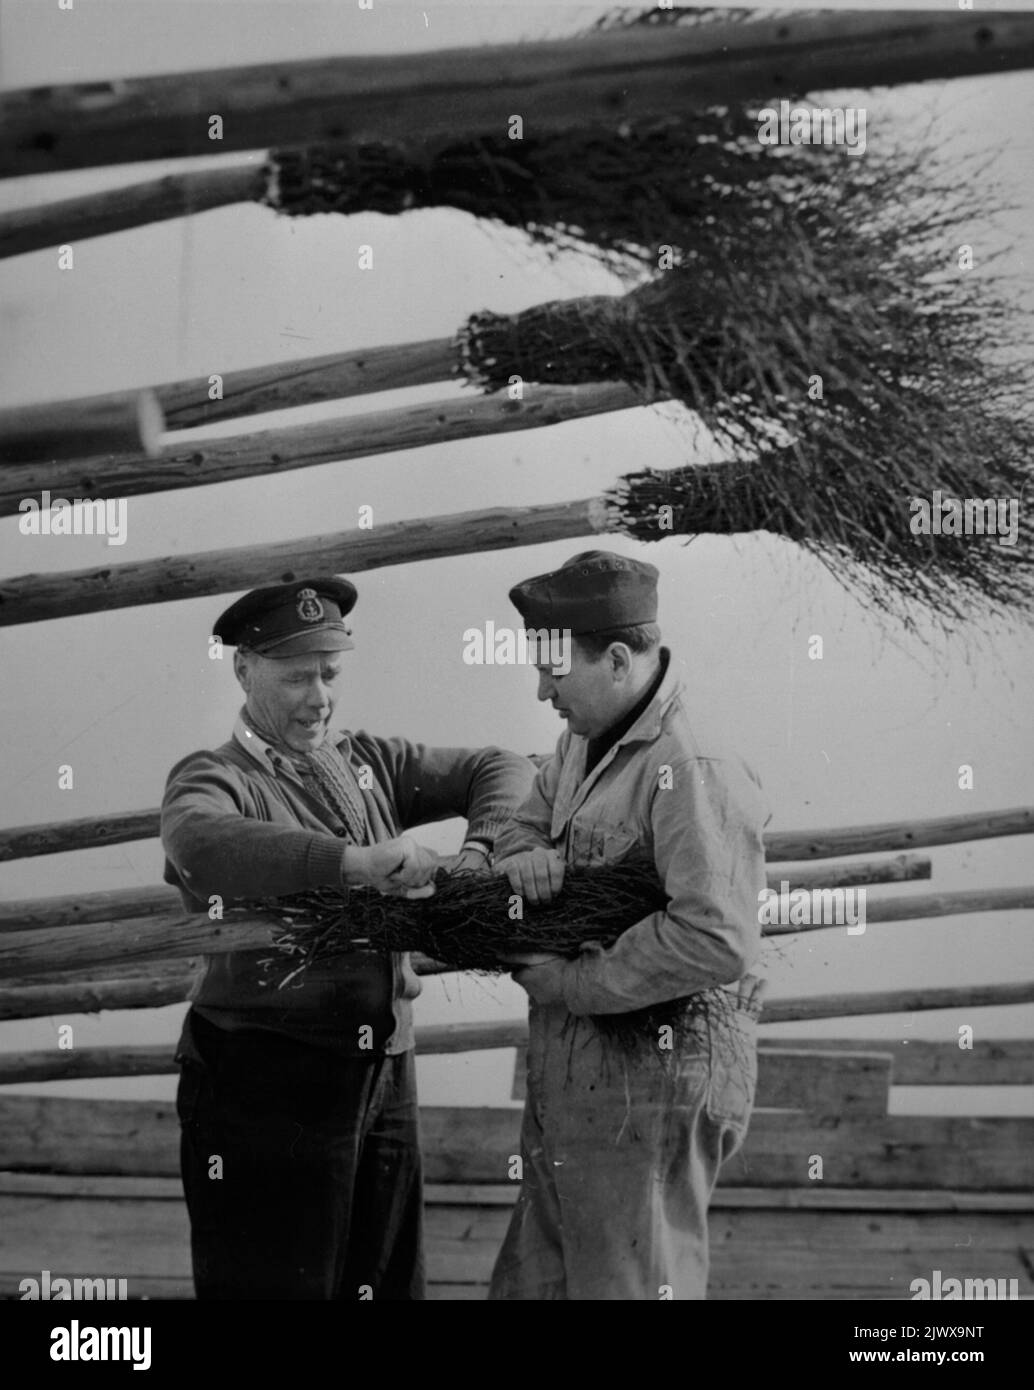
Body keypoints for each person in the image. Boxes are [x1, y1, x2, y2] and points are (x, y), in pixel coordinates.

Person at [161, 576, 535, 1300]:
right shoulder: (214, 777)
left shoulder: (367, 763)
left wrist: (481, 851)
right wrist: (351, 863)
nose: (319, 696)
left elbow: (503, 766)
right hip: (265, 1079)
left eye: (330, 674)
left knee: (386, 1284)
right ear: (242, 669)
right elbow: (199, 844)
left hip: (384, 1074)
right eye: (296, 676)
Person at [490, 550, 769, 1301]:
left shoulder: (691, 762)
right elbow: (518, 827)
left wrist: (574, 982)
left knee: (628, 1286)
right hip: (584, 1073)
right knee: (541, 1284)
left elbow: (716, 935)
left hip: (654, 1078)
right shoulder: (584, 738)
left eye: (554, 670)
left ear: (616, 659)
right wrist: (525, 857)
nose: (541, 690)